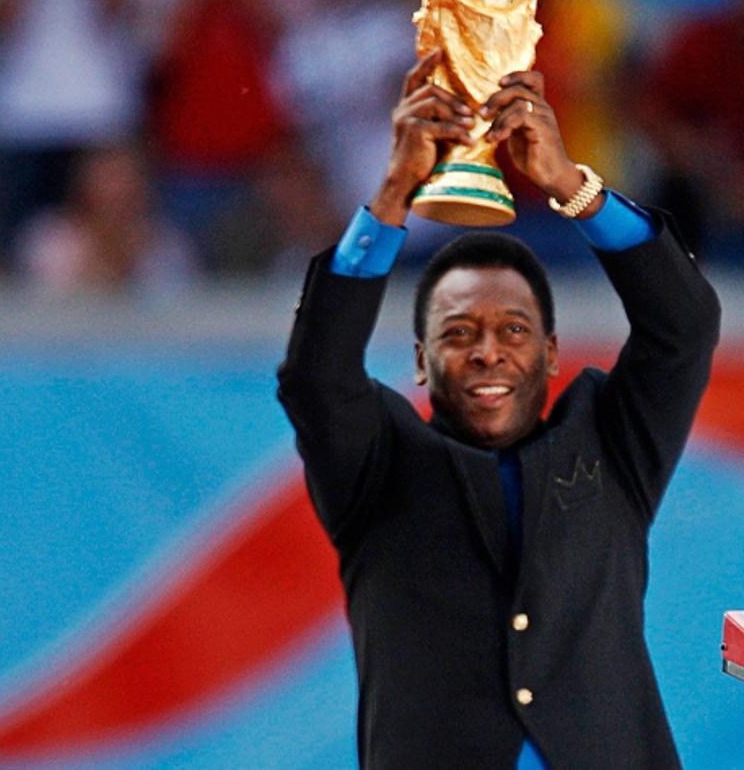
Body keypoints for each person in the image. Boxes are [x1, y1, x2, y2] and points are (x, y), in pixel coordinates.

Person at [276, 49, 720, 768]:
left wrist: (569, 186)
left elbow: (684, 325)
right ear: (420, 362)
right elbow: (316, 377)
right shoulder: (377, 471)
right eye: (457, 334)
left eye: (513, 331)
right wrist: (395, 190)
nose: (488, 352)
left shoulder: (612, 445)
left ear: (550, 353)